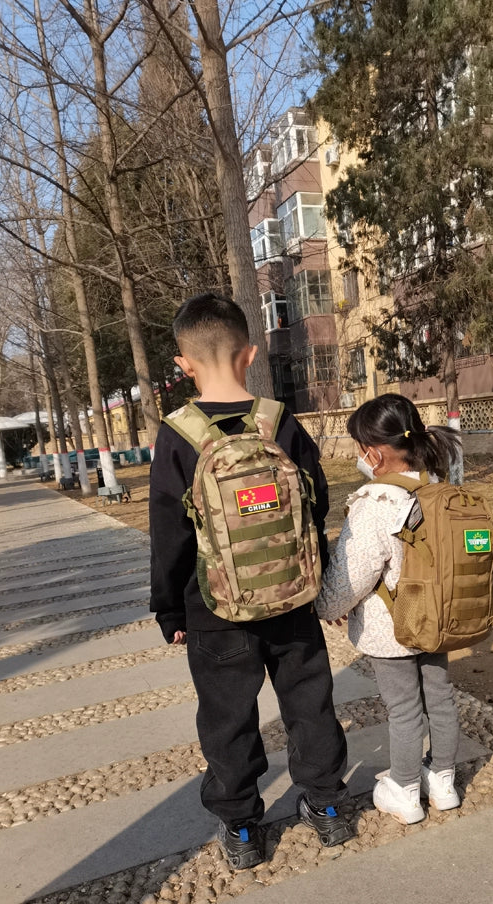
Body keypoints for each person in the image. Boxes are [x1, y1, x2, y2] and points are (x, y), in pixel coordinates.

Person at [149, 293, 350, 869]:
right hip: (292, 599)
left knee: (227, 718)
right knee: (310, 703)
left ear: (184, 364)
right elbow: (315, 506)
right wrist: (323, 579)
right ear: (251, 353)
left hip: (214, 610)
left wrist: (171, 612)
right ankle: (327, 806)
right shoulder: (280, 421)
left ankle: (241, 827)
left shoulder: (178, 435)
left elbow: (169, 533)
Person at [315, 393, 462, 825]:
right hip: (438, 619)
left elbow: (352, 574)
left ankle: (404, 788)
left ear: (374, 453)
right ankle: (444, 782)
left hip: (393, 628)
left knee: (403, 709)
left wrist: (327, 606)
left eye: (360, 448)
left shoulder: (375, 504)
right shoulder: (438, 492)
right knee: (441, 701)